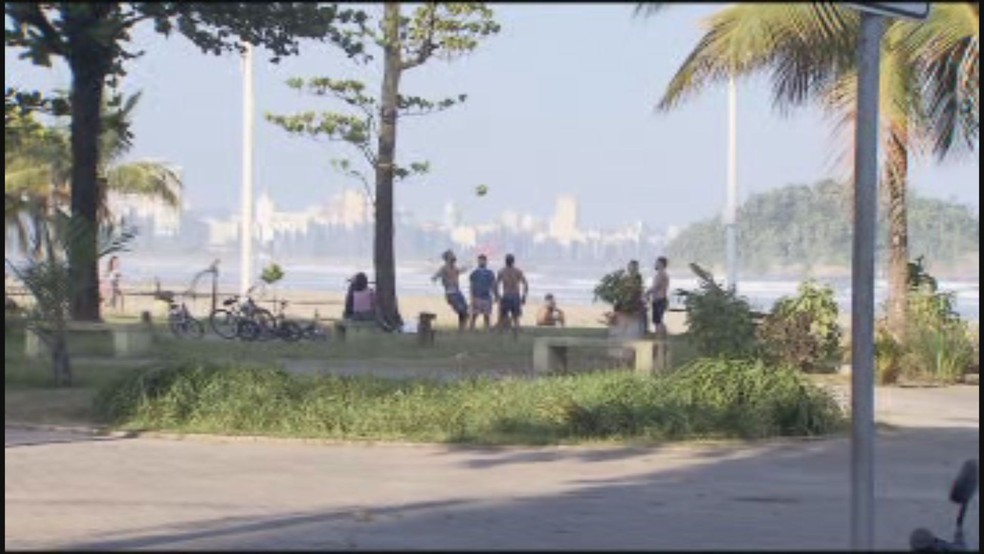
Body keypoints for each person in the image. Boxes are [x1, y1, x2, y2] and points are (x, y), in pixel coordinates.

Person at [431, 250, 469, 331]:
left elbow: (460, 271)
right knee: (461, 310)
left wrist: (465, 268)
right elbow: (436, 275)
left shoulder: (455, 267)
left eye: (453, 256)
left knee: (465, 311)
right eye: (451, 256)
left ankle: (462, 329)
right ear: (447, 258)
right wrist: (435, 277)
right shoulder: (444, 268)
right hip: (450, 294)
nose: (454, 258)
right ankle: (461, 329)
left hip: (458, 292)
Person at [495, 253, 529, 337]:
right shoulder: (517, 271)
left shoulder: (502, 271)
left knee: (503, 317)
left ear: (505, 261)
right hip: (514, 296)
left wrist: (497, 295)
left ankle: (501, 335)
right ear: (513, 261)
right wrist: (524, 296)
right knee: (515, 318)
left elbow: (495, 285)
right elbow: (525, 284)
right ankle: (515, 336)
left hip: (507, 296)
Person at [468, 254, 496, 331]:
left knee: (487, 315)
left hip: (486, 296)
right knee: (474, 314)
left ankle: (486, 329)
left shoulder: (490, 273)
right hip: (477, 296)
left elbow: (493, 285)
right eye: (480, 261)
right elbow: (471, 286)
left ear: (486, 262)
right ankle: (471, 328)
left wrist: (496, 295)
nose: (481, 262)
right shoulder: (474, 273)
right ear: (478, 262)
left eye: (483, 261)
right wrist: (471, 297)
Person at [646, 256, 671, 336]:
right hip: (659, 299)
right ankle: (661, 336)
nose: (655, 263)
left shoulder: (661, 274)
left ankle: (660, 336)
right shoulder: (661, 273)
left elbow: (656, 286)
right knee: (658, 320)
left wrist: (647, 292)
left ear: (661, 264)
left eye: (657, 262)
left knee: (658, 320)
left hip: (660, 299)